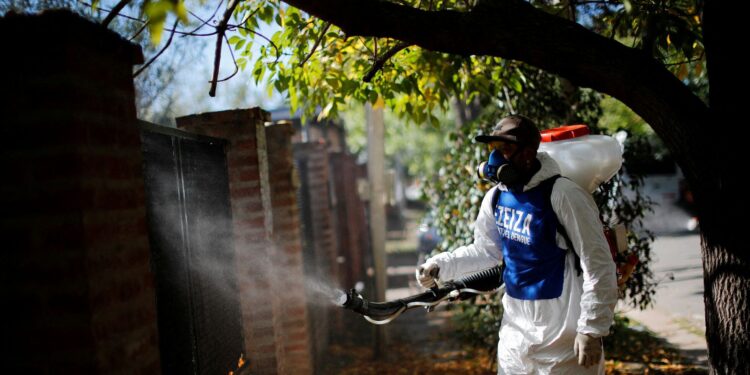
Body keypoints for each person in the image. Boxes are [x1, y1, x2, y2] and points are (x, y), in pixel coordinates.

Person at [416, 115, 618, 374]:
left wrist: (591, 328)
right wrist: (440, 265)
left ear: (528, 153)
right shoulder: (496, 197)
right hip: (516, 336)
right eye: (495, 150)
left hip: (563, 340)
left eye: (507, 149)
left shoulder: (563, 195)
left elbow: (598, 263)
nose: (496, 159)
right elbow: (485, 251)